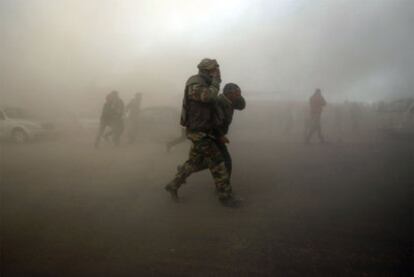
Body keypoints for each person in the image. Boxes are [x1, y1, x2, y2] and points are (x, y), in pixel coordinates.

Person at [164, 58, 238, 207]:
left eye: (217, 70)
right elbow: (208, 97)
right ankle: (225, 198)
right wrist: (216, 81)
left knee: (193, 163)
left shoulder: (206, 83)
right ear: (206, 70)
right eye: (214, 70)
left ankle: (172, 185)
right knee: (218, 163)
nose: (217, 72)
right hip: (199, 132)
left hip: (205, 130)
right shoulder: (195, 82)